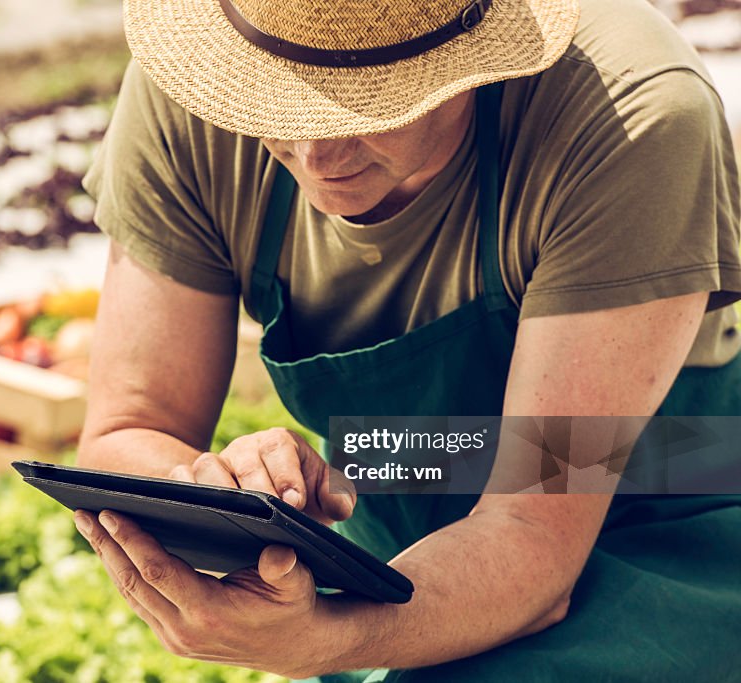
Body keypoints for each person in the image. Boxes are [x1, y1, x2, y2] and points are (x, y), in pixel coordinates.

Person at [72, 0, 741, 679]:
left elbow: (533, 532)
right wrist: (218, 494)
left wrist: (328, 639)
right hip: (395, 509)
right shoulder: (203, 79)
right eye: (277, 99)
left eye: (364, 105)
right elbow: (130, 424)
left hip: (663, 512)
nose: (314, 154)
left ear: (474, 54)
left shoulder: (630, 116)